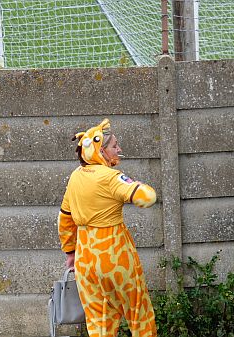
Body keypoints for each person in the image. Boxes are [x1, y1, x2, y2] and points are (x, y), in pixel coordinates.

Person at [57, 118, 157, 337]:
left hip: (85, 259)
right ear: (100, 151)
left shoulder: (74, 177)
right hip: (113, 254)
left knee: (99, 323)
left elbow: (65, 219)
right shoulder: (111, 178)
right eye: (114, 146)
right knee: (138, 313)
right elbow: (147, 197)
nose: (119, 149)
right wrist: (134, 185)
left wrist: (70, 252)